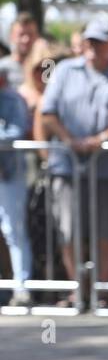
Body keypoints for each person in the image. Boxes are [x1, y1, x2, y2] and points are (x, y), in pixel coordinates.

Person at [40, 18, 108, 307]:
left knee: (105, 230)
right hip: (67, 166)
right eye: (90, 41)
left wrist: (102, 137)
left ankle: (100, 292)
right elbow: (48, 112)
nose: (93, 47)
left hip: (105, 167)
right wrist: (70, 140)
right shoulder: (65, 71)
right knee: (69, 231)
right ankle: (78, 290)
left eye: (100, 42)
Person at [0, 58, 31, 307]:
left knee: (14, 231)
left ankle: (22, 287)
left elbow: (16, 132)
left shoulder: (13, 100)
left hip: (9, 174)